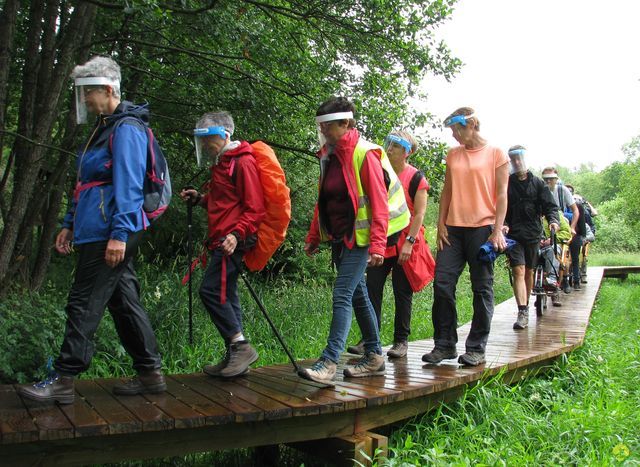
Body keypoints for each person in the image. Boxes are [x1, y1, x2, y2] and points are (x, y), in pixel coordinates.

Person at [18, 56, 166, 404]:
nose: (83, 100)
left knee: (83, 301)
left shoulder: (127, 128)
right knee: (124, 301)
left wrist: (119, 234)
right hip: (96, 227)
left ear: (107, 89)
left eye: (87, 92)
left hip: (110, 230)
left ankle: (63, 379)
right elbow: (86, 183)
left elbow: (128, 186)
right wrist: (69, 223)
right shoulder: (104, 129)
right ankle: (150, 374)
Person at [302, 97, 410, 385]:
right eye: (320, 126)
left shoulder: (365, 154)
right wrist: (315, 235)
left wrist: (377, 244)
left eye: (328, 126)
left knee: (342, 294)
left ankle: (329, 361)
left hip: (361, 239)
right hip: (340, 235)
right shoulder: (329, 154)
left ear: (345, 123)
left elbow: (379, 204)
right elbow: (324, 200)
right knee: (359, 294)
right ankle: (374, 356)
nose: (323, 131)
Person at [181, 111, 266, 378]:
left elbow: (255, 209)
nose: (205, 146)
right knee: (226, 294)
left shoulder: (242, 163)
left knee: (210, 290)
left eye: (209, 140)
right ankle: (236, 357)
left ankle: (240, 346)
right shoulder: (223, 163)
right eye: (202, 141)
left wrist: (236, 235)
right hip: (224, 237)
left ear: (224, 135)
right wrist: (200, 199)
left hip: (234, 240)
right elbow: (225, 202)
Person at [422, 107, 509, 367]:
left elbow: (502, 194)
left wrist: (497, 229)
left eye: (457, 129)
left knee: (481, 288)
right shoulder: (453, 154)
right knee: (442, 284)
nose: (454, 135)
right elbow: (447, 190)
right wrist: (440, 223)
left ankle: (476, 348)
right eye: (451, 131)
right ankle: (445, 344)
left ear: (471, 124)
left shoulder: (496, 154)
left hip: (483, 229)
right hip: (454, 230)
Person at [347, 130, 434, 358]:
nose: (390, 148)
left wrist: (409, 243)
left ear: (407, 152)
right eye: (389, 143)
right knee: (372, 289)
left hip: (406, 243)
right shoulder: (381, 172)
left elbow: (420, 214)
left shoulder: (416, 178)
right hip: (382, 241)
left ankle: (401, 342)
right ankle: (369, 338)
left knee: (402, 292)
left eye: (396, 145)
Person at [503, 146, 559, 330]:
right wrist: (503, 223)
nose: (517, 162)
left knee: (528, 271)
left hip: (533, 234)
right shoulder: (507, 183)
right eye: (514, 159)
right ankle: (523, 311)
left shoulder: (538, 183)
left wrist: (553, 221)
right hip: (514, 235)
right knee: (518, 270)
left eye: (520, 158)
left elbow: (550, 206)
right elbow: (500, 206)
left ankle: (525, 304)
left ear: (524, 160)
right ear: (511, 161)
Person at [541, 168, 582, 290]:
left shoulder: (562, 190)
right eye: (546, 179)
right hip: (544, 225)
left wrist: (573, 227)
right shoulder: (540, 190)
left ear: (556, 179)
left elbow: (575, 210)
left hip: (561, 222)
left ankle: (570, 277)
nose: (548, 182)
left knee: (573, 246)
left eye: (551, 179)